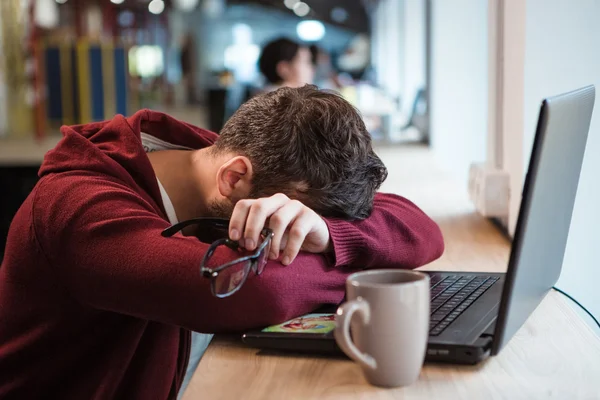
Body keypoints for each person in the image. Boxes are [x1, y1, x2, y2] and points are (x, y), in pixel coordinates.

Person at [0, 85, 444, 399]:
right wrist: (363, 273)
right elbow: (243, 289)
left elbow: (421, 228)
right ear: (234, 178)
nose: (296, 241)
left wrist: (329, 235)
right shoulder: (77, 209)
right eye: (290, 231)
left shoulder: (219, 162)